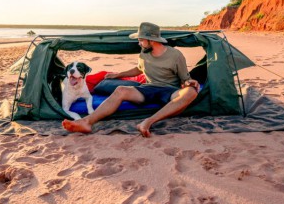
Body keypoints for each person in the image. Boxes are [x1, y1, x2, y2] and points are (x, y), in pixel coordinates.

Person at [62, 22, 200, 137]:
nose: (139, 43)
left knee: (191, 92)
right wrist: (118, 75)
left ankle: (148, 122)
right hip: (148, 88)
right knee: (120, 90)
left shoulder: (175, 55)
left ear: (151, 40)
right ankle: (86, 122)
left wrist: (189, 83)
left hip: (169, 91)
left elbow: (184, 79)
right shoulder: (144, 54)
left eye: (140, 40)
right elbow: (139, 69)